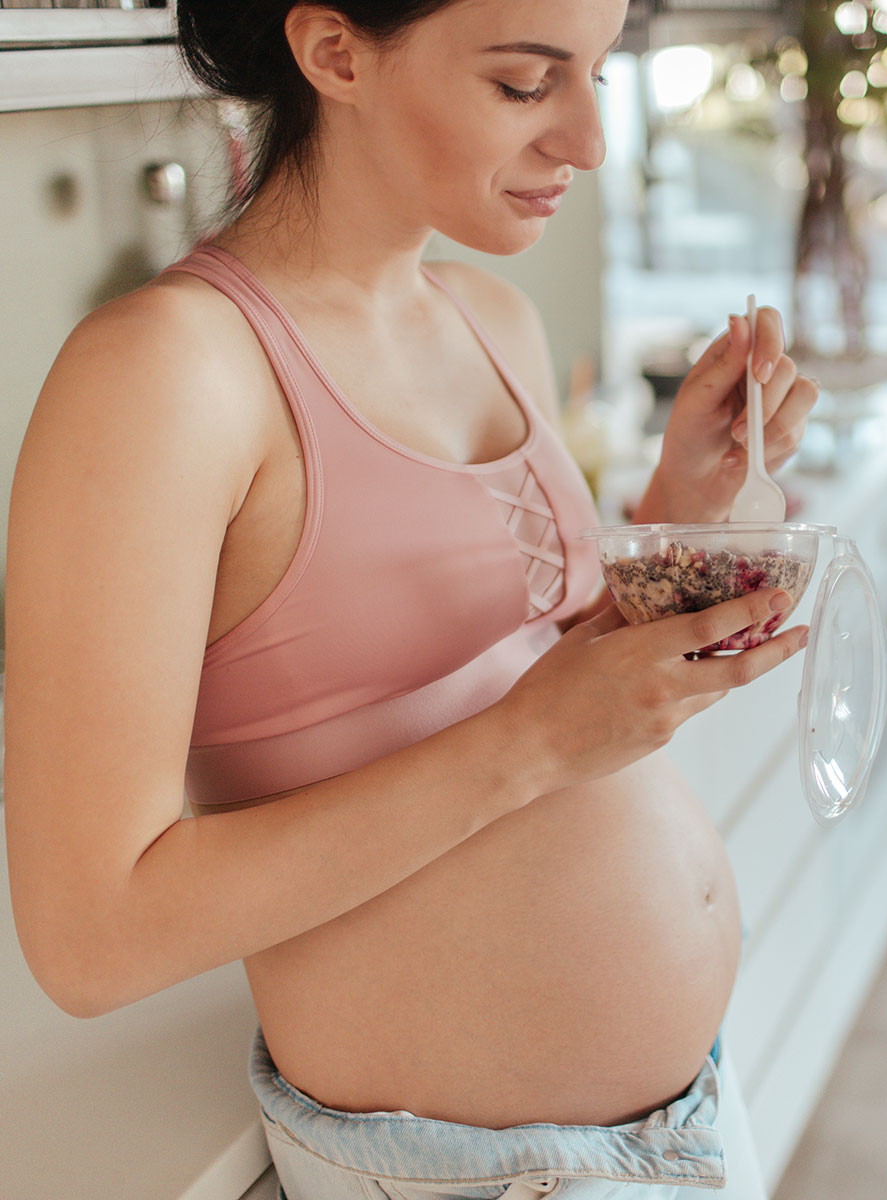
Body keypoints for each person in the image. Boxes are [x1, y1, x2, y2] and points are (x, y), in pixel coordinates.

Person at [4, 2, 818, 1198]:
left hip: (685, 1112)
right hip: (464, 1171)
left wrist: (677, 511)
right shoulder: (169, 374)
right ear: (336, 52)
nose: (590, 141)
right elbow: (91, 939)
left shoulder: (492, 320)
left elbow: (515, 682)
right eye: (526, 85)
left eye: (596, 74)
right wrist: (533, 745)